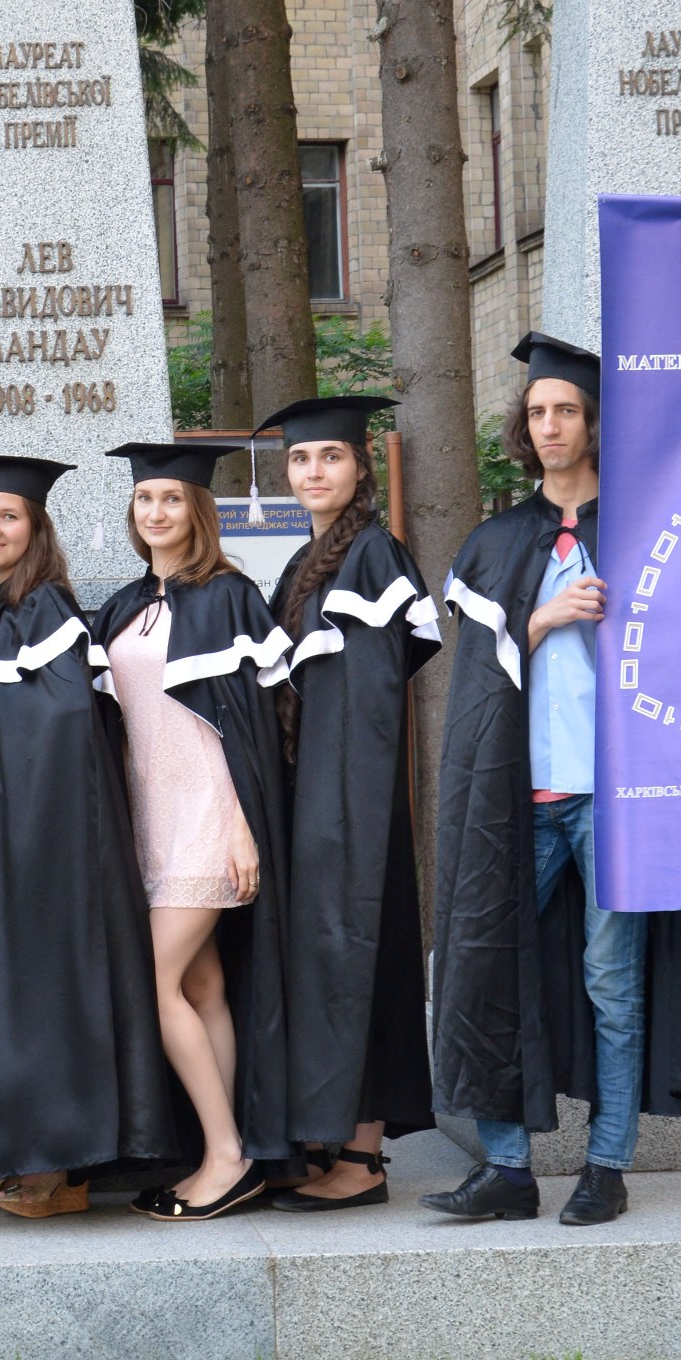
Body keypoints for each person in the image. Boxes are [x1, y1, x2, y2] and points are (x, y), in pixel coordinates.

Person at [426, 332, 681, 1227]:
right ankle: (506, 1169)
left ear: (595, 423)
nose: (549, 426)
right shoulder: (497, 542)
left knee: (613, 984)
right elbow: (474, 683)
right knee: (487, 968)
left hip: (617, 801)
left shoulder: (651, 535)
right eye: (536, 412)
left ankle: (606, 1166)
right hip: (520, 799)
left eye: (565, 410)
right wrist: (539, 619)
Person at [0, 451, 173, 1216]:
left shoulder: (45, 611)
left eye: (7, 516)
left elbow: (63, 727)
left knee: (33, 992)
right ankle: (4, 1150)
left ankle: (55, 1168)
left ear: (35, 528)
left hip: (30, 838)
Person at [89, 441, 294, 1222]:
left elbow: (250, 725)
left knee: (153, 979)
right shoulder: (125, 605)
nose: (156, 512)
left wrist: (242, 827)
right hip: (149, 817)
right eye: (145, 500)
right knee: (201, 986)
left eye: (171, 499)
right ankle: (225, 1151)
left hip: (208, 812)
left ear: (198, 510)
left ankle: (227, 1157)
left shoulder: (229, 597)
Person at [258, 397, 441, 1212]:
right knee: (329, 965)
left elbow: (369, 701)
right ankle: (330, 1139)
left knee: (363, 960)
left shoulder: (373, 554)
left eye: (329, 457)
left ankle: (363, 1158)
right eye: (301, 459)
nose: (313, 472)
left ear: (360, 467)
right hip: (317, 800)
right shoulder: (304, 562)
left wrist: (343, 814)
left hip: (353, 807)